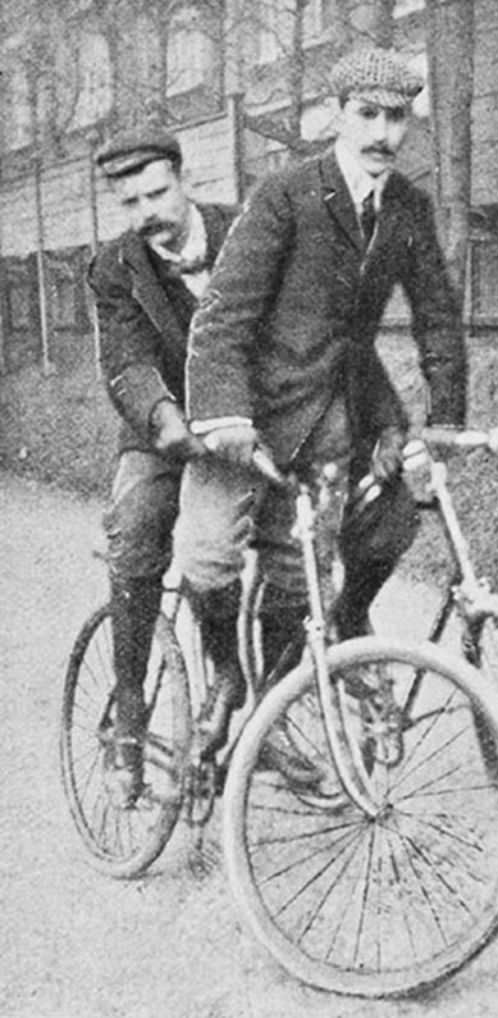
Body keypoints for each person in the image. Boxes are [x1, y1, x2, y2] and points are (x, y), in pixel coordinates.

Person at [172, 45, 468, 754]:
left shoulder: (406, 208)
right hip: (258, 412)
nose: (383, 135)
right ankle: (224, 678)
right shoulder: (286, 195)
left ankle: (338, 631)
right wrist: (225, 417)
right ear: (336, 116)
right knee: (209, 554)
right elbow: (223, 316)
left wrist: (446, 419)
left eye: (397, 119)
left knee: (389, 523)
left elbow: (436, 316)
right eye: (367, 115)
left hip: (349, 412)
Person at [88, 126, 235, 800]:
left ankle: (243, 704)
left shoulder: (246, 234)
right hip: (160, 435)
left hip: (238, 429)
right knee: (140, 529)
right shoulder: (115, 266)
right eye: (130, 202)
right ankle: (128, 714)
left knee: (274, 559)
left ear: (185, 178)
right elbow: (126, 360)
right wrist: (166, 421)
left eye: (156, 192)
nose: (146, 212)